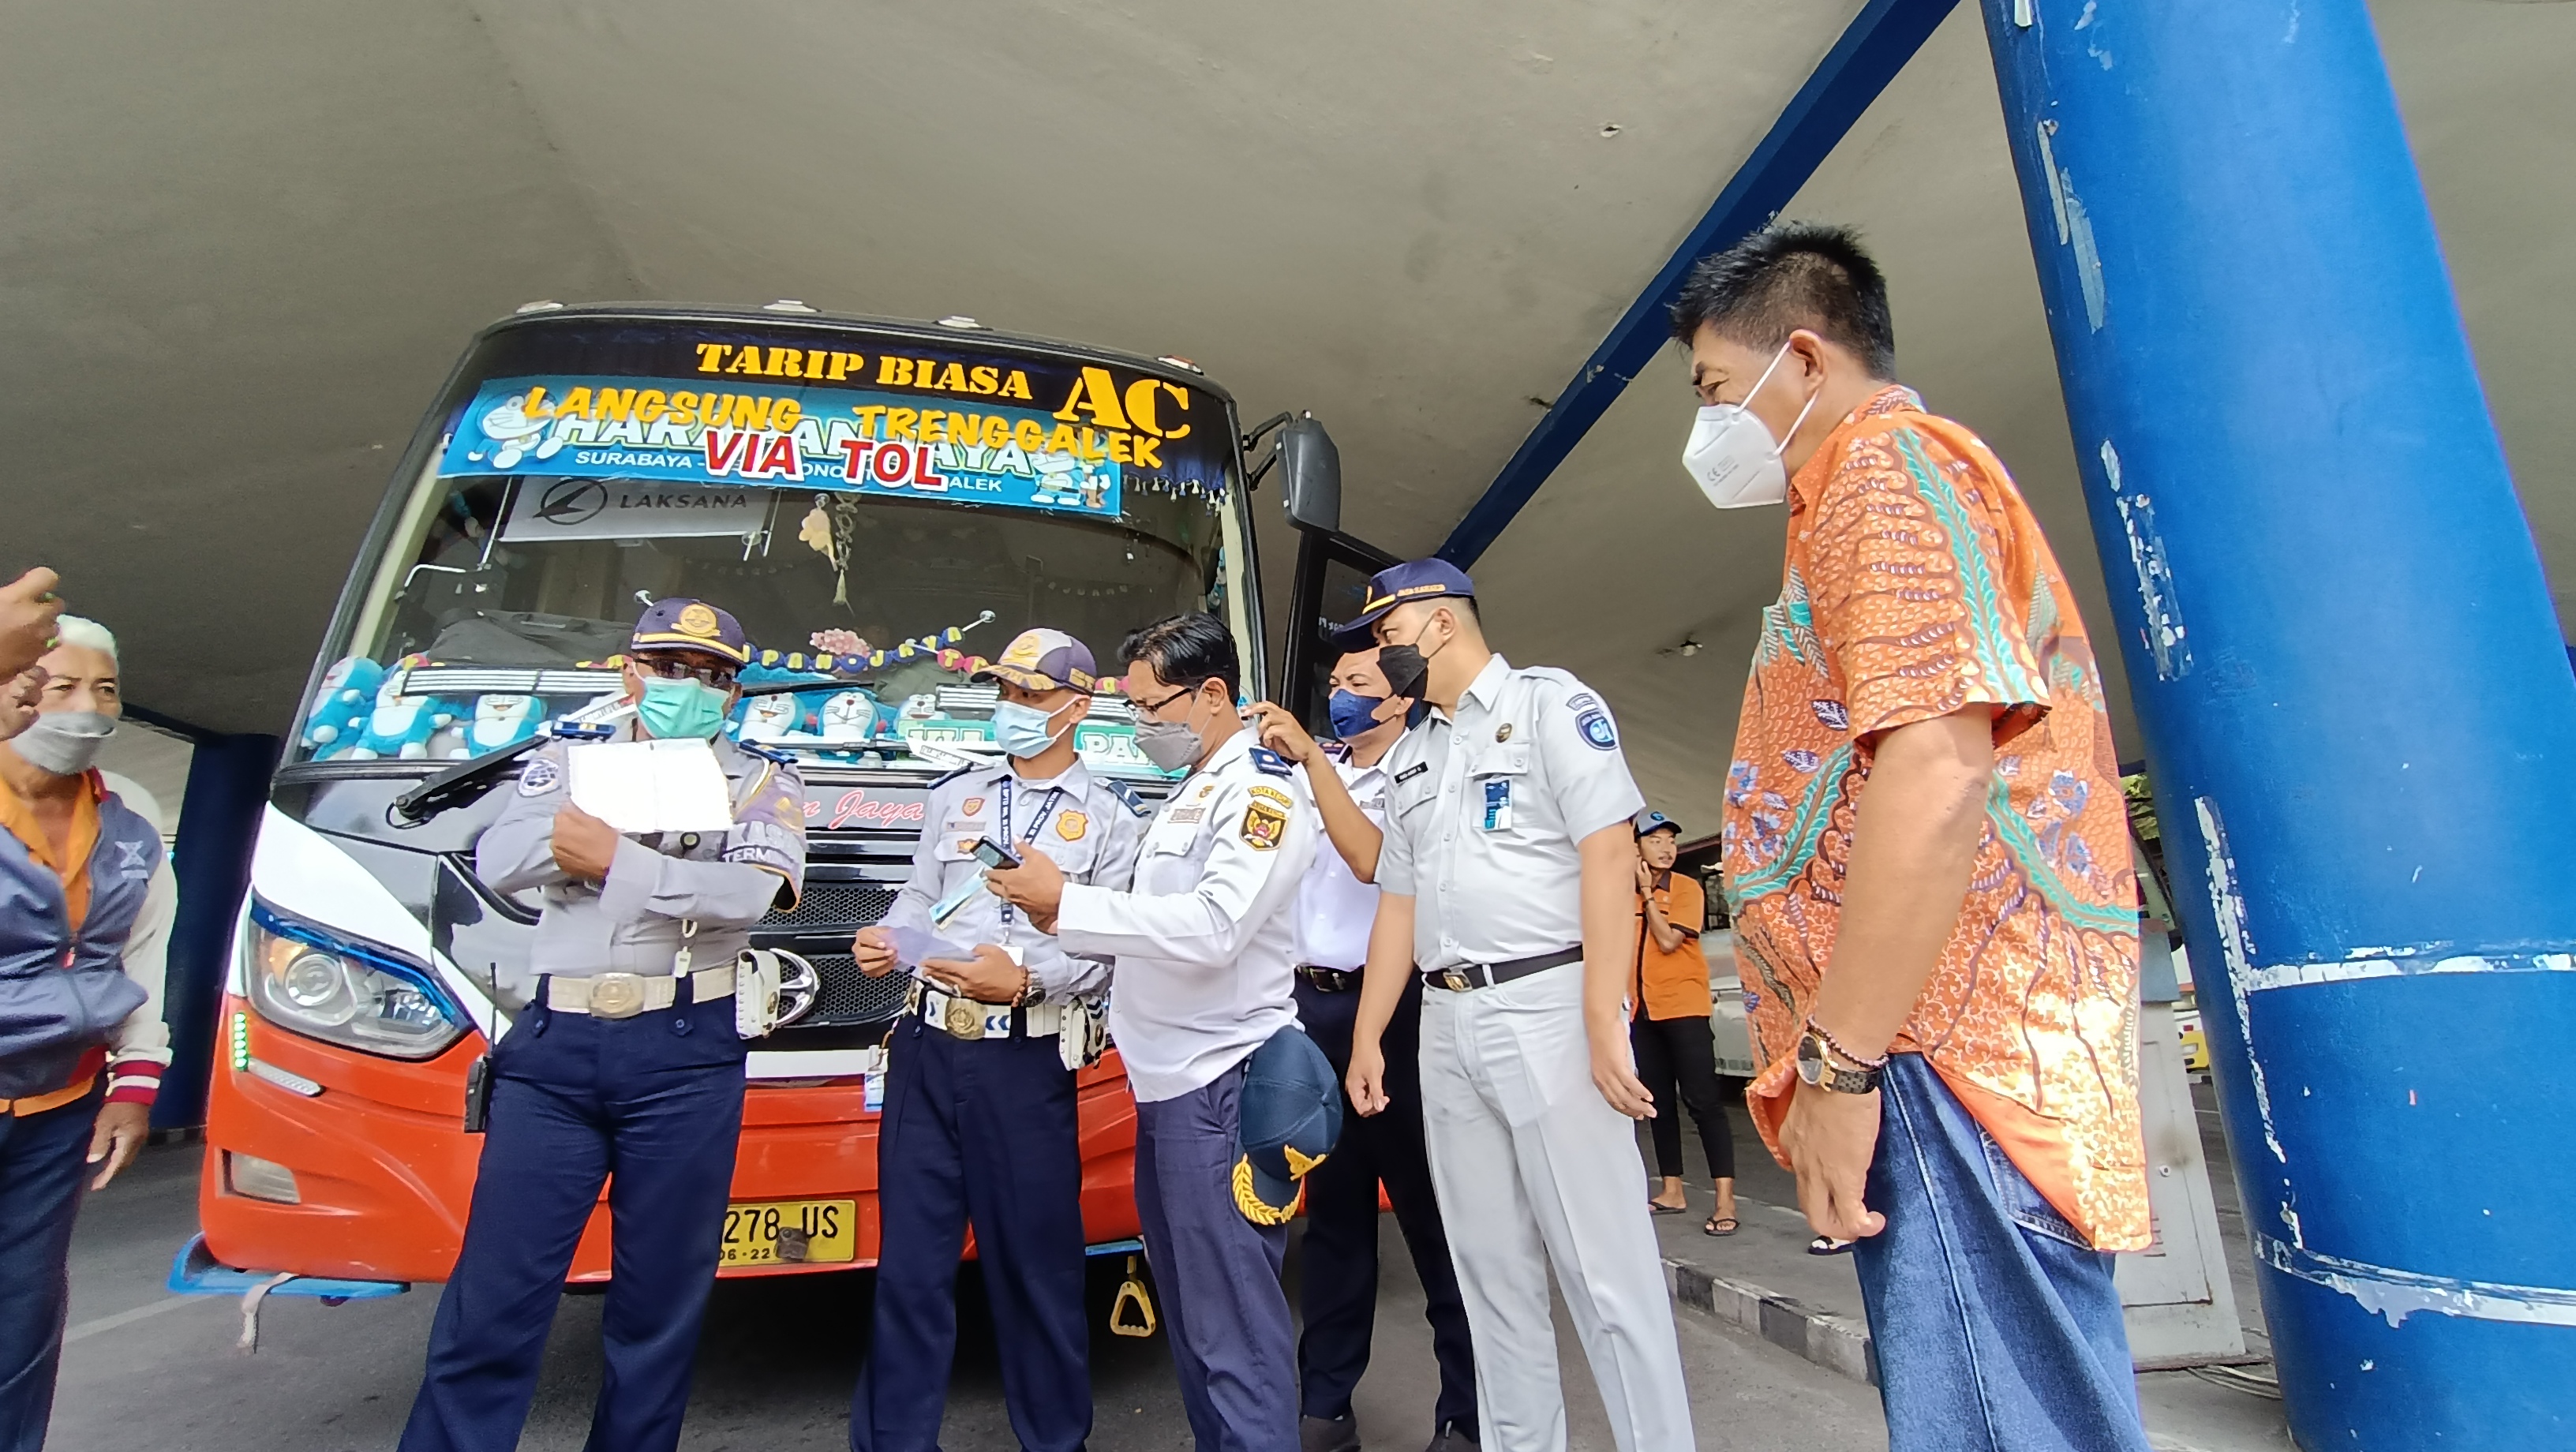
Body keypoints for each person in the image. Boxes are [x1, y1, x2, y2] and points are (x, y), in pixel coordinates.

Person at [1672, 223, 2151, 1450]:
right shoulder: (1861, 491)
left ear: (1805, 357)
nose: (1708, 427)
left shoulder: (1884, 472)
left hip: (1943, 1044)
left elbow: (1935, 771)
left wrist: (1843, 1066)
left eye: (1715, 389)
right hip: (1938, 1041)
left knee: (1994, 1415)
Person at [400, 597, 807, 1452]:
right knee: (497, 1295)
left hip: (685, 1047)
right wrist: (630, 845)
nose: (687, 687)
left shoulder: (764, 782)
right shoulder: (566, 764)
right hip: (557, 1046)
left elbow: (749, 897)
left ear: (733, 693)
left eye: (710, 676)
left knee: (658, 1304)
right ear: (630, 672)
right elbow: (501, 863)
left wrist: (613, 859)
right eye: (669, 668)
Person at [1340, 562, 1693, 1452]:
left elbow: (1610, 858)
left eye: (1388, 635)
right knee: (1489, 1275)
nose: (1381, 655)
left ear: (1443, 625)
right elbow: (1400, 899)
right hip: (1447, 1019)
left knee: (1605, 1275)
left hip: (1547, 1004)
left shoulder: (1547, 706)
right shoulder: (1415, 750)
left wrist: (1604, 1017)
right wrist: (1371, 1032)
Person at [985, 612, 1317, 1452]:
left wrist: (1069, 903)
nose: (1139, 724)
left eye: (1149, 705)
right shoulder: (1194, 791)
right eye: (1129, 708)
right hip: (1170, 1088)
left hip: (1221, 1086)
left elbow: (1214, 927)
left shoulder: (1261, 790)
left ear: (1213, 694)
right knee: (1200, 1334)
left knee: (1234, 1337)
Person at [845, 628, 1146, 1452]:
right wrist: (889, 935)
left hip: (1024, 1056)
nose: (1012, 709)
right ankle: (891, 1441)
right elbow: (918, 894)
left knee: (1036, 1268)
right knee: (909, 1266)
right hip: (927, 1045)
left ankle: (1055, 1439)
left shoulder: (1112, 821)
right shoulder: (956, 794)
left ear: (1077, 708)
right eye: (1005, 693)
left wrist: (1030, 978)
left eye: (1032, 696)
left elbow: (1111, 940)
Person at [1248, 649, 1478, 1452]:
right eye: (1336, 683)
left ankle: (1466, 1412)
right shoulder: (1309, 773)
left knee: (1430, 1216)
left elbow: (1374, 862)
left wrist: (1313, 763)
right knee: (1334, 1219)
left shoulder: (1428, 769)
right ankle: (1326, 1403)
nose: (1337, 698)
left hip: (1401, 1013)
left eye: (1358, 687)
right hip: (1309, 1010)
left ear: (1399, 702)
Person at [0, 614, 174, 1452]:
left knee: (22, 1325)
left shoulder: (132, 814)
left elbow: (143, 950)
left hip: (56, 1108)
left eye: (104, 689)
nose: (87, 706)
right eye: (62, 685)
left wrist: (134, 1083)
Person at [1628, 810, 1737, 1237]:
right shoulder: (1621, 895)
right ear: (1636, 847)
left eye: (1670, 840)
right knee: (1658, 1103)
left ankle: (1725, 1198)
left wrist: (1648, 896)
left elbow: (1671, 941)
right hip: (1642, 1011)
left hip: (1684, 1007)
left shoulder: (1687, 888)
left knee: (1704, 1102)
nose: (1666, 848)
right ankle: (1672, 1189)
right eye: (1654, 840)